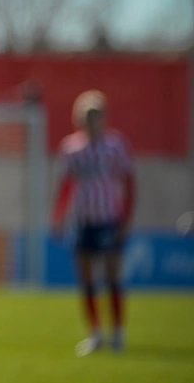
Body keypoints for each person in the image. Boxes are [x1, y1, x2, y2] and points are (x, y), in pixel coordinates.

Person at [51, 90, 135, 355]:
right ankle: (96, 333)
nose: (90, 122)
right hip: (83, 221)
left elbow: (129, 182)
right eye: (86, 117)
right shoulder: (71, 148)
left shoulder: (115, 146)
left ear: (103, 118)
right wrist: (58, 217)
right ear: (78, 119)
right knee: (86, 280)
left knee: (111, 277)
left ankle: (118, 332)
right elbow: (65, 185)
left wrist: (125, 219)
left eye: (95, 116)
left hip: (108, 219)